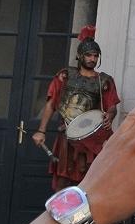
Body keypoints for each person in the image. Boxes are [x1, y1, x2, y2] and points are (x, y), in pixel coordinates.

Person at [33, 25, 120, 191]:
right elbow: (51, 103)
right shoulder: (65, 75)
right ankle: (60, 209)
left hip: (92, 138)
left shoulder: (104, 80)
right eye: (89, 55)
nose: (92, 59)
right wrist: (41, 131)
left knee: (91, 184)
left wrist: (110, 115)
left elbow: (112, 106)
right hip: (67, 136)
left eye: (95, 56)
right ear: (80, 56)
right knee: (62, 182)